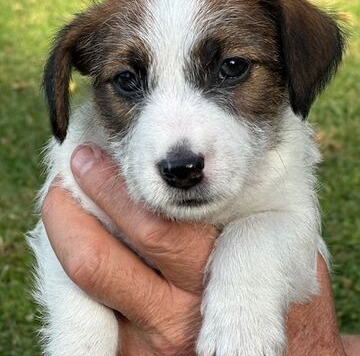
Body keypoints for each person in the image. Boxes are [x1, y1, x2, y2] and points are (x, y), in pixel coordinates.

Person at [41, 144, 360, 356]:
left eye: (232, 68)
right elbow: (68, 236)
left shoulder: (279, 156)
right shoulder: (86, 151)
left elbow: (288, 220)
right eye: (128, 80)